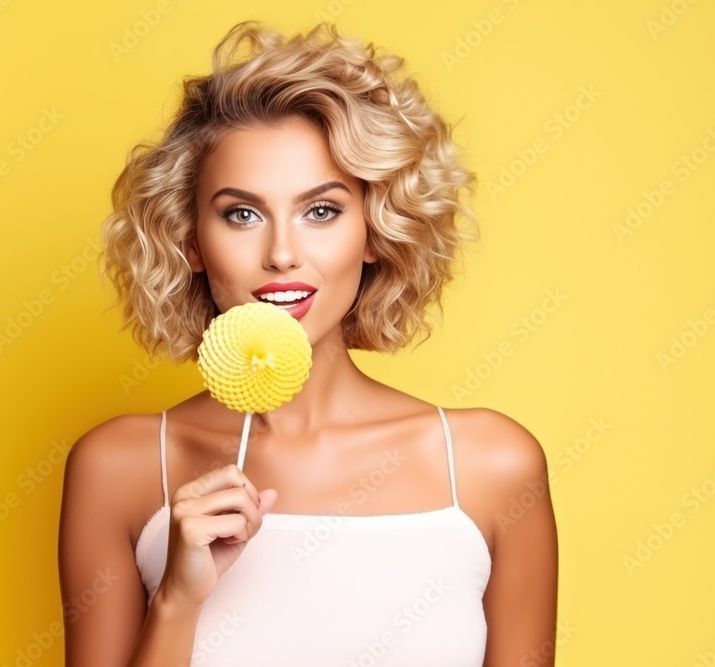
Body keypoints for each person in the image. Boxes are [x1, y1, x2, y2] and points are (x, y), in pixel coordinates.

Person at [58, 19, 558, 667]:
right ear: (192, 243)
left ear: (376, 231)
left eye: (321, 210)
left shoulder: (492, 466)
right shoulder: (119, 467)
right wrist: (179, 600)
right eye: (242, 213)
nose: (283, 253)